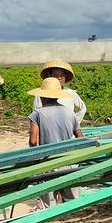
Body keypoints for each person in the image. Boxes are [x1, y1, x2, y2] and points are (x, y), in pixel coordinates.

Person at [28, 77, 84, 205]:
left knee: (49, 204)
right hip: (69, 161)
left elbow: (33, 141)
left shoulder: (37, 114)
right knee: (73, 203)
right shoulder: (70, 113)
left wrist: (36, 159)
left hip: (48, 163)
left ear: (42, 96)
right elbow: (80, 138)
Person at [32, 60, 87, 126]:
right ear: (50, 77)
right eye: (56, 76)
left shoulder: (70, 93)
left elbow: (83, 108)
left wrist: (73, 123)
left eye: (62, 75)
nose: (59, 78)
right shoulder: (42, 94)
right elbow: (36, 113)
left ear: (65, 77)